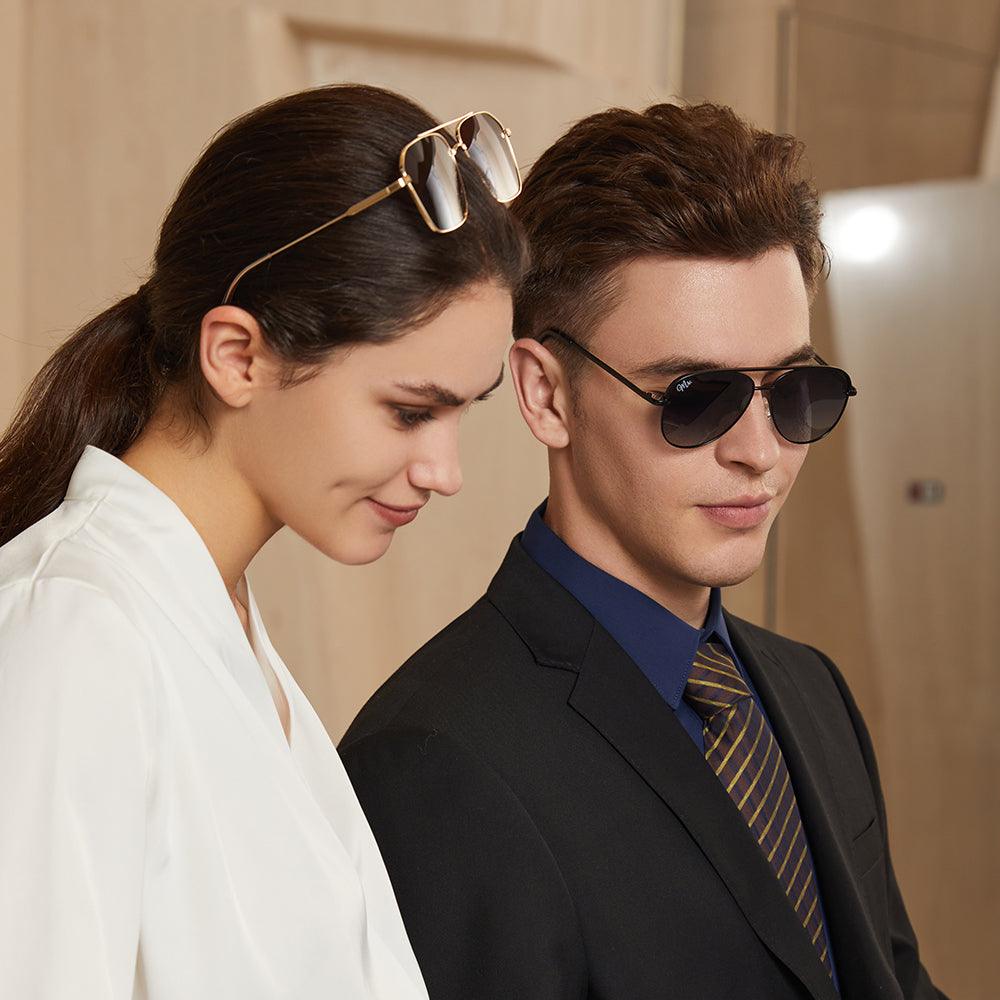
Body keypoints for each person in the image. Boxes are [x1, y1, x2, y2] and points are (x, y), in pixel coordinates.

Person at [341, 102, 947, 999]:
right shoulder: (436, 763)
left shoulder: (811, 691)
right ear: (546, 395)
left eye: (795, 391)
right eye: (695, 397)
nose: (761, 452)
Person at [0, 84, 525, 999]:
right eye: (411, 411)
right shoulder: (77, 630)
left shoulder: (215, 621)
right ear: (237, 356)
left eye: (462, 414)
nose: (445, 470)